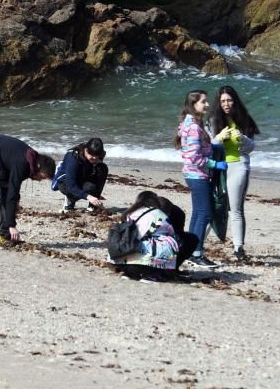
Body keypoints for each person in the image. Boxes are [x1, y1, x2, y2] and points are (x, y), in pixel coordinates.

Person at [0, 134, 56, 247]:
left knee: (6, 194)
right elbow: (13, 193)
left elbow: (12, 194)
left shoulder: (32, 160)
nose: (40, 180)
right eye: (42, 177)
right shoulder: (22, 163)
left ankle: (4, 234)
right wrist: (12, 225)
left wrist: (10, 224)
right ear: (39, 167)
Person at [175, 90, 226, 269]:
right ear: (193, 104)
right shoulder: (194, 127)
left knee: (198, 212)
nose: (207, 105)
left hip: (193, 174)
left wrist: (213, 147)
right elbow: (193, 157)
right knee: (205, 213)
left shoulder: (191, 123)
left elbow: (194, 150)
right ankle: (197, 253)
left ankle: (190, 251)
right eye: (203, 102)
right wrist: (214, 164)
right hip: (197, 175)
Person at [209, 86, 259, 261]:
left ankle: (238, 248)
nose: (226, 104)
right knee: (212, 205)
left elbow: (251, 147)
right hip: (219, 166)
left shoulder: (245, 120)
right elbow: (208, 147)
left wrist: (242, 139)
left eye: (229, 100)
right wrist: (219, 138)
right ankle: (199, 244)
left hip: (238, 166)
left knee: (235, 209)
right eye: (223, 101)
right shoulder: (213, 120)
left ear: (235, 100)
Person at [111, 191, 198, 282]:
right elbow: (179, 240)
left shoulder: (132, 212)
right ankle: (162, 271)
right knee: (183, 240)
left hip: (120, 259)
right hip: (144, 262)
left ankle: (135, 271)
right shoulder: (161, 217)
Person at [52, 137, 108, 211]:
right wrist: (88, 196)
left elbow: (96, 166)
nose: (95, 158)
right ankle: (70, 199)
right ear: (86, 150)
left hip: (82, 176)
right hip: (65, 182)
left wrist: (94, 197)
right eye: (92, 156)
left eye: (97, 157)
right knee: (87, 188)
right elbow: (71, 186)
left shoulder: (99, 154)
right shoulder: (73, 158)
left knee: (102, 168)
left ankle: (94, 204)